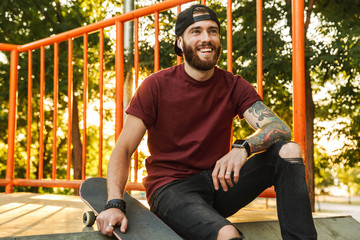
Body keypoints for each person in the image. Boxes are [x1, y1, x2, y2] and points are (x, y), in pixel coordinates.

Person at [96, 4, 317, 240]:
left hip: (217, 183)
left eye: (213, 31)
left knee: (289, 151)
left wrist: (243, 148)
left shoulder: (233, 85)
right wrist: (115, 204)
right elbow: (124, 148)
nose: (206, 38)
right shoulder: (155, 85)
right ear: (180, 42)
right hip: (171, 189)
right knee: (227, 234)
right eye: (196, 31)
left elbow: (279, 128)